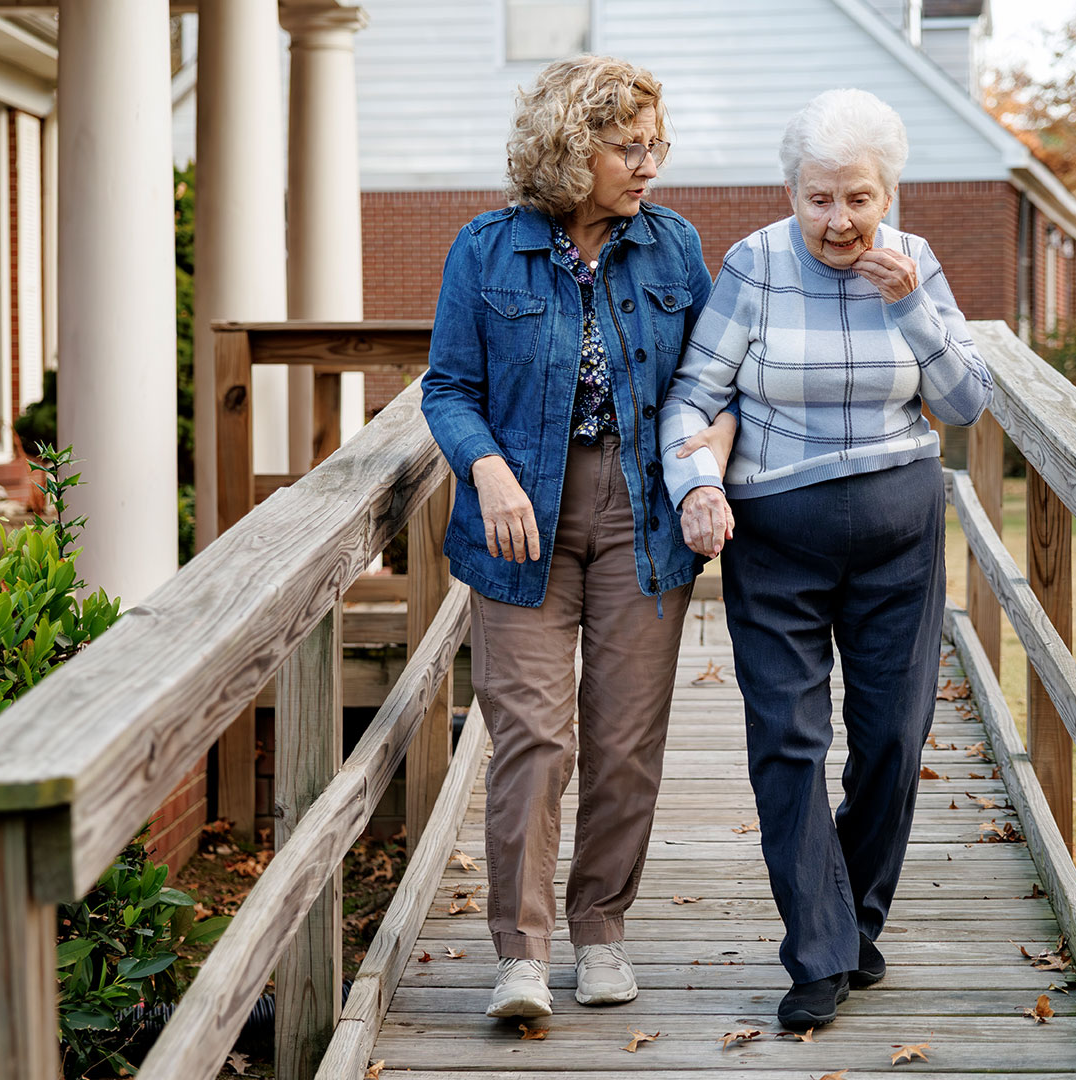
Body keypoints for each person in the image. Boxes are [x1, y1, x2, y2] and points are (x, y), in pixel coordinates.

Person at [657, 88, 991, 1030]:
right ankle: (817, 950)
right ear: (791, 192)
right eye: (819, 200)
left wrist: (912, 307)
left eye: (858, 199)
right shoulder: (754, 265)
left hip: (901, 529)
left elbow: (966, 405)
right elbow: (690, 396)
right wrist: (699, 488)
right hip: (775, 533)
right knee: (790, 743)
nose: (839, 222)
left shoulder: (914, 263)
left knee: (893, 736)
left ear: (888, 193)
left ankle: (855, 917)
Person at [421, 54, 735, 1021]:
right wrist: (487, 466)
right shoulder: (485, 250)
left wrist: (705, 471)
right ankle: (521, 955)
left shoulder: (675, 247)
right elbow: (447, 389)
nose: (648, 166)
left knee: (627, 740)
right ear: (568, 148)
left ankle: (601, 930)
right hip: (519, 526)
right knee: (532, 736)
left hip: (643, 519)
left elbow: (716, 386)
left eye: (656, 147)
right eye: (625, 147)